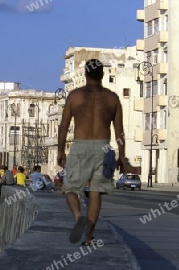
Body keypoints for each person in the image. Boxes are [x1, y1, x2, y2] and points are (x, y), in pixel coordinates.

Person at [57, 59, 125, 246]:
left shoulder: (75, 96)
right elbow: (119, 132)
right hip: (103, 147)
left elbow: (63, 126)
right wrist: (123, 156)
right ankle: (88, 236)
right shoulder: (112, 98)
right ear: (102, 74)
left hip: (80, 146)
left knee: (70, 188)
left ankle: (78, 215)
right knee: (96, 192)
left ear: (85, 74)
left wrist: (61, 150)